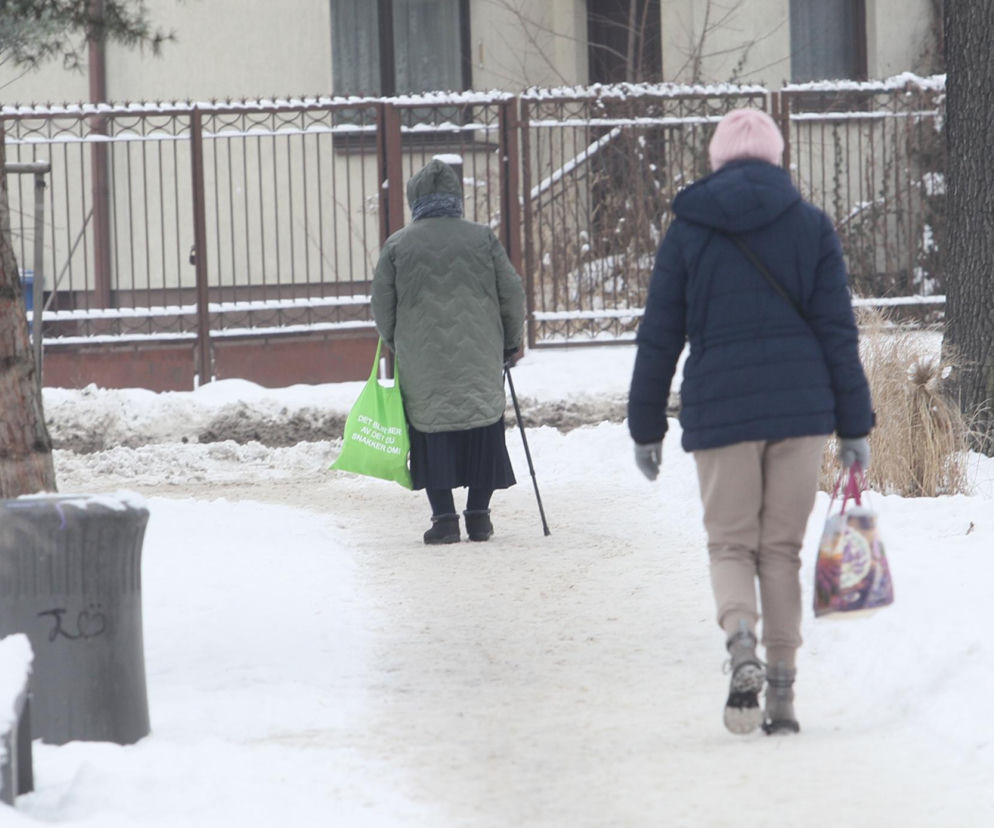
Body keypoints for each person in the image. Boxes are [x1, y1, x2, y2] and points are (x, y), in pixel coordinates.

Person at [627, 108, 874, 735]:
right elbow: (838, 332)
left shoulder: (688, 231)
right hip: (801, 409)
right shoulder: (811, 225)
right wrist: (854, 426)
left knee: (731, 543)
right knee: (781, 551)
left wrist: (645, 426)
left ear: (716, 161)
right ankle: (783, 694)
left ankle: (741, 641)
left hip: (721, 412)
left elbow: (659, 336)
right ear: (776, 158)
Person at [372, 158, 525, 545]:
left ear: (415, 199)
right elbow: (512, 293)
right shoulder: (483, 239)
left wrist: (398, 342)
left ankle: (444, 519)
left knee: (432, 429)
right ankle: (479, 516)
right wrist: (510, 341)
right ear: (456, 198)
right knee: (482, 424)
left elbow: (382, 307)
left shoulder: (397, 245)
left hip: (423, 360)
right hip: (480, 354)